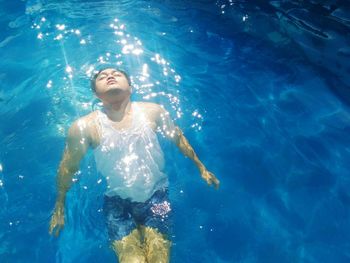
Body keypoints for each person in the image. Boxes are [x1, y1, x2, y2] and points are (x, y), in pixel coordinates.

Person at [49, 67, 220, 263]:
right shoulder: (83, 127)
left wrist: (201, 168)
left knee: (159, 259)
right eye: (102, 77)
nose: (110, 76)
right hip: (116, 201)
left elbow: (178, 138)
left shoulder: (153, 112)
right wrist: (60, 204)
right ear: (96, 94)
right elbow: (68, 167)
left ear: (130, 87)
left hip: (157, 195)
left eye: (117, 74)